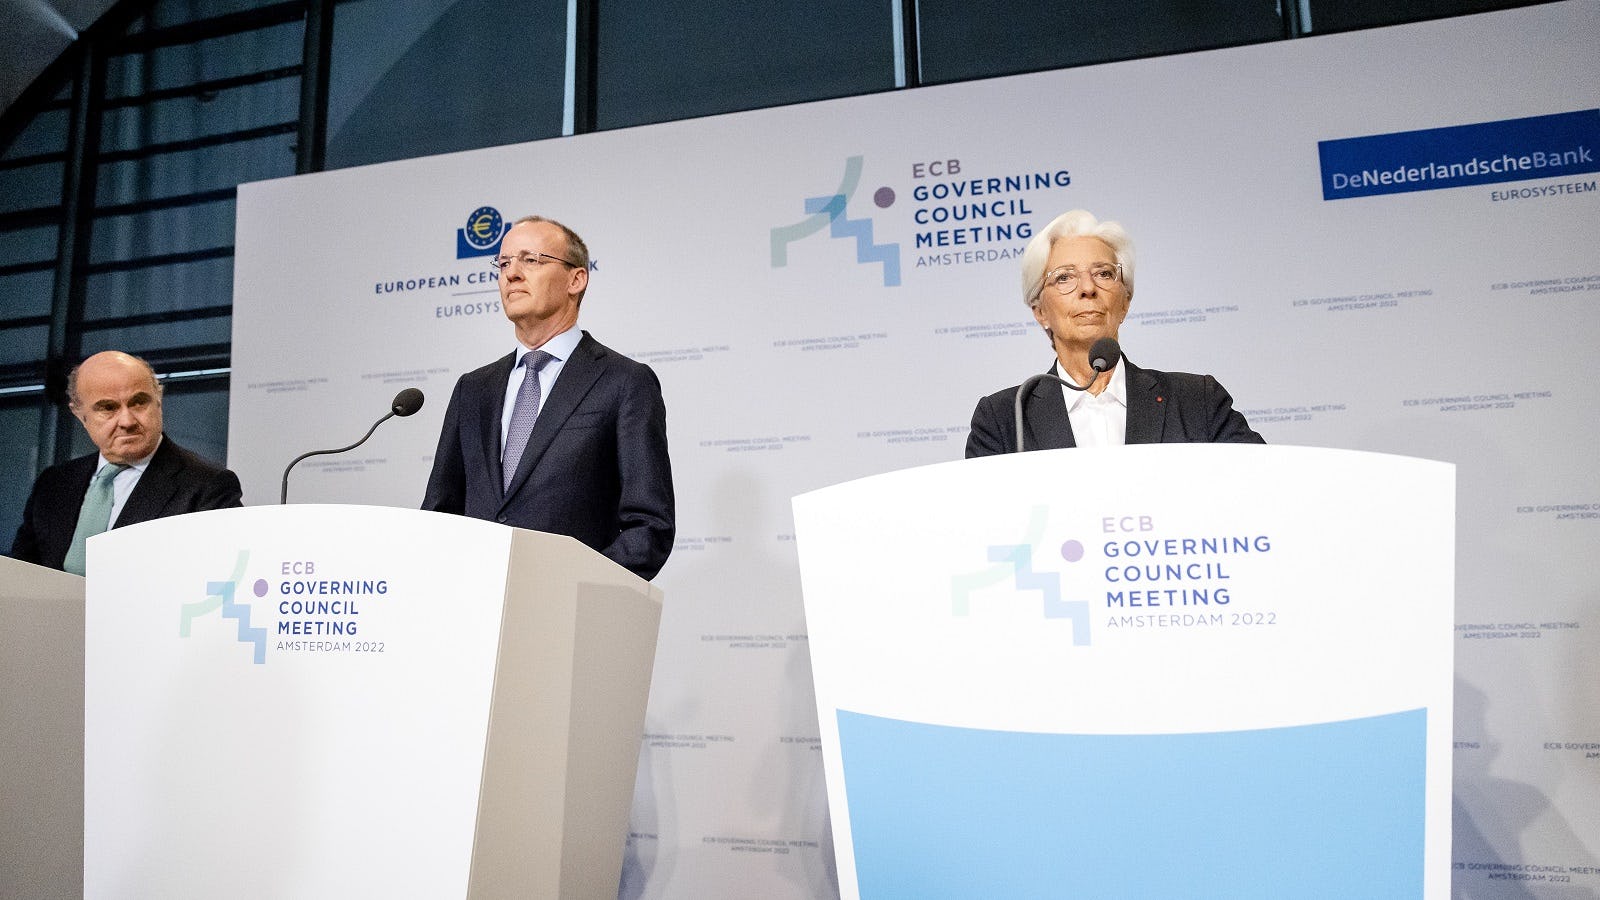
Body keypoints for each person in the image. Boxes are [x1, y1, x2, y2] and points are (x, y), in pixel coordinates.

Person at [422, 215, 675, 580]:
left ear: (577, 279)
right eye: (504, 263)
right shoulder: (472, 389)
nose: (511, 274)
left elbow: (649, 527)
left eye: (531, 260)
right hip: (473, 609)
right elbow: (439, 514)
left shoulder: (624, 382)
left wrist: (574, 588)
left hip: (571, 616)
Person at [966, 209, 1263, 456]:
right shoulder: (1003, 417)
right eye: (1065, 277)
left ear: (1125, 301)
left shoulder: (1197, 400)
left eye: (1104, 274)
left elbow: (1267, 484)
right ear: (1039, 310)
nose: (1087, 288)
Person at [11, 350, 244, 574]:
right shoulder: (54, 483)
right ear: (80, 415)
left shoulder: (207, 486)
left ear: (158, 401)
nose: (127, 420)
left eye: (139, 402)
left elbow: (220, 578)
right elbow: (23, 573)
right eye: (108, 408)